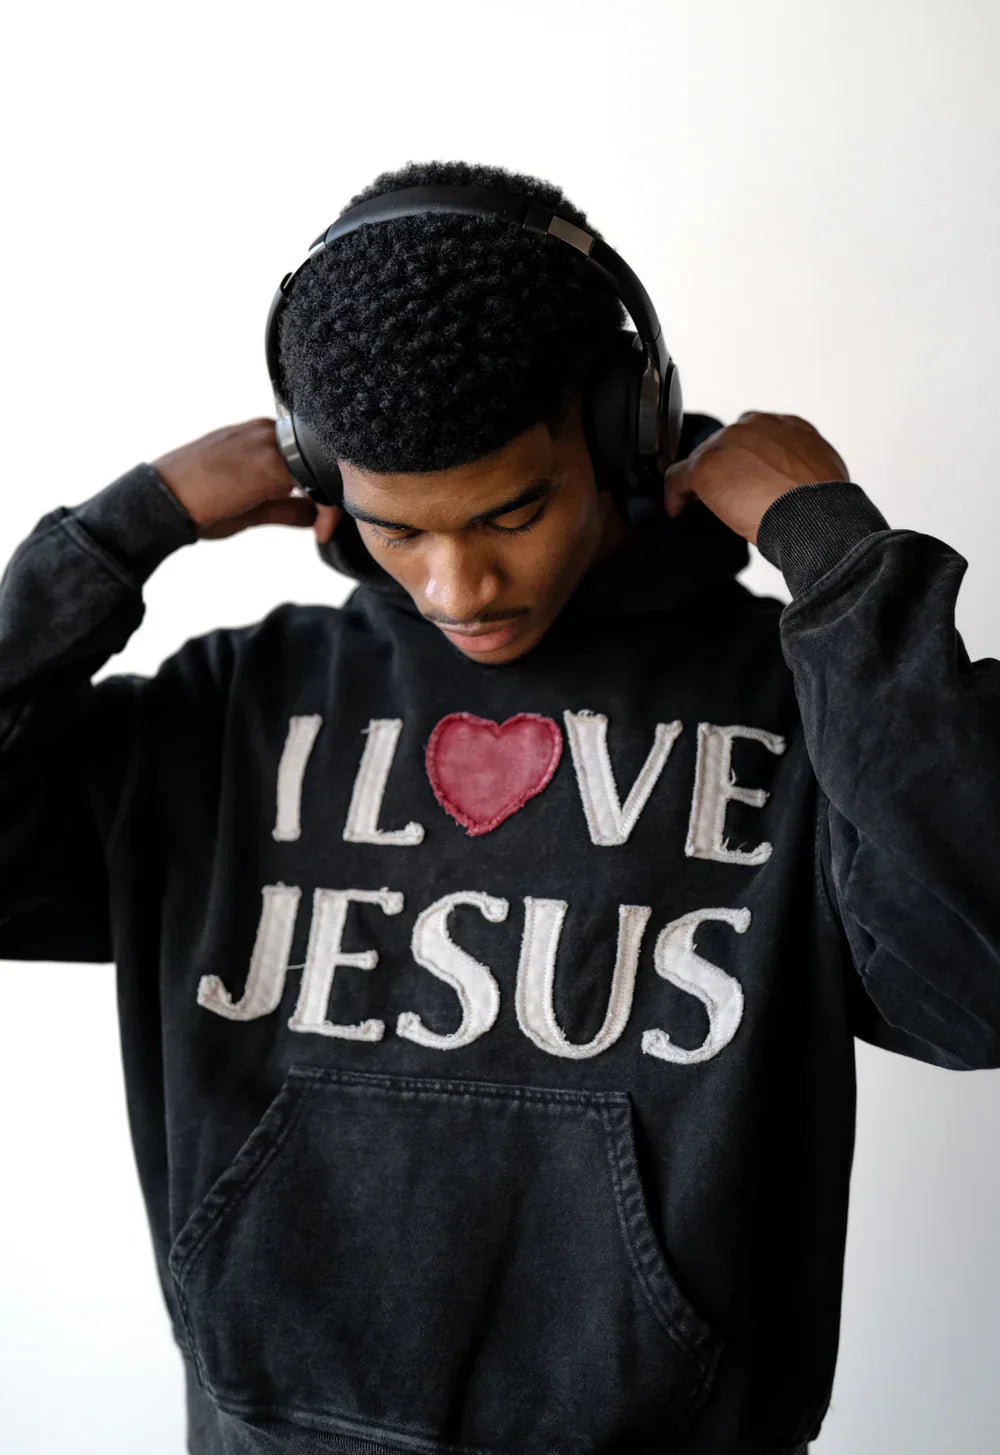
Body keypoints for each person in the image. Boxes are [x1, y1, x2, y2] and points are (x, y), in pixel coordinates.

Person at [1, 156, 996, 1455]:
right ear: (323, 482)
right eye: (398, 529)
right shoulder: (231, 710)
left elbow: (977, 988)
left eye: (511, 513)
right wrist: (115, 535)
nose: (457, 587)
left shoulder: (813, 709)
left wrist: (843, 569)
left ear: (629, 437)